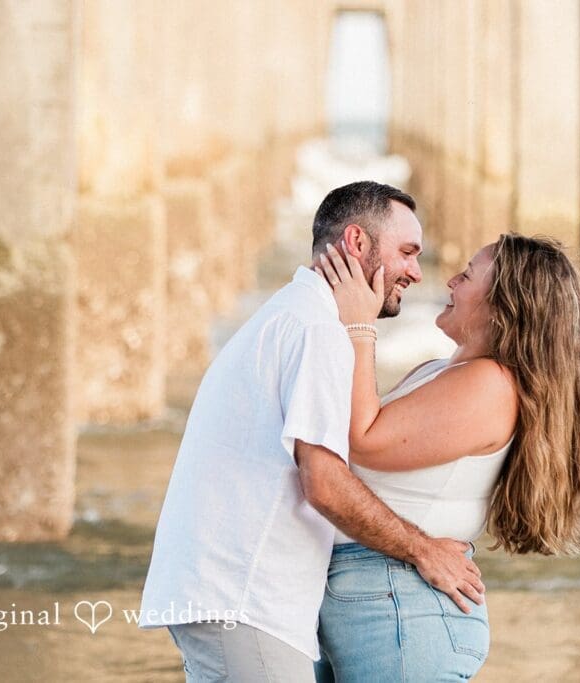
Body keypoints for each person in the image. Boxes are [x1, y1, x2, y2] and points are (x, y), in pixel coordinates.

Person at [138, 181, 485, 682]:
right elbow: (323, 481)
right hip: (246, 599)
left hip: (228, 595)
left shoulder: (292, 313)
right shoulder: (317, 329)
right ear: (357, 244)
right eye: (407, 252)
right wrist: (424, 549)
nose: (415, 270)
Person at [313, 233, 580, 681]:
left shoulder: (489, 383)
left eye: (467, 275)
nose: (450, 281)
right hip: (380, 598)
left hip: (400, 605)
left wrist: (358, 324)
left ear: (505, 305)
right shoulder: (445, 371)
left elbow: (364, 439)